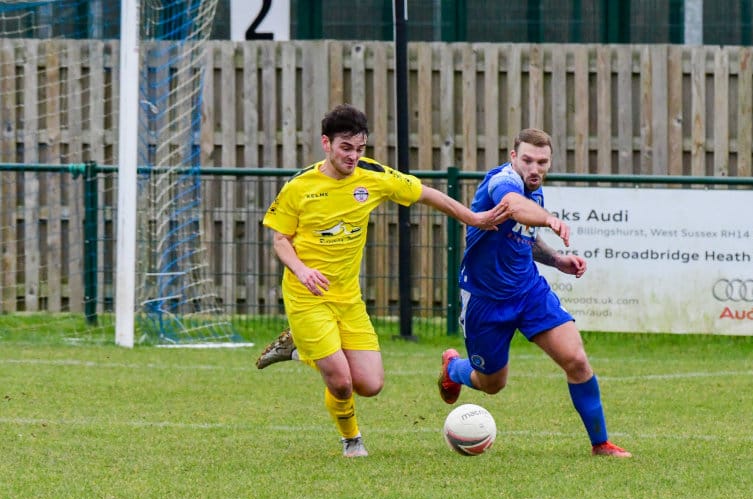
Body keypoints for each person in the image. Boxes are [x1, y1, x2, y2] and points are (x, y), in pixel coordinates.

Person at [258, 103, 508, 458]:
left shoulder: (372, 176)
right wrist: (302, 270)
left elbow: (426, 194)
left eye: (359, 148)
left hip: (348, 298)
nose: (353, 156)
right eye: (346, 148)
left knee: (370, 384)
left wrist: (474, 218)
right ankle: (351, 440)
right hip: (306, 295)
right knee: (341, 382)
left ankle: (299, 348)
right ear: (326, 144)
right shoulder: (299, 187)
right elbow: (280, 240)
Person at [437, 127, 631, 457]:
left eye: (542, 162)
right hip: (485, 300)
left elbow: (524, 237)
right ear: (513, 157)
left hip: (529, 292)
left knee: (576, 360)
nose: (534, 168)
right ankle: (454, 368)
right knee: (491, 384)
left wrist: (556, 260)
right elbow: (513, 207)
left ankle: (601, 444)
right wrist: (550, 219)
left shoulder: (534, 189)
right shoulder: (502, 181)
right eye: (527, 160)